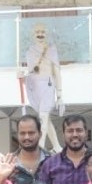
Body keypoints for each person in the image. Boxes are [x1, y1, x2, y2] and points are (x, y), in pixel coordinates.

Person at [22, 24, 63, 153]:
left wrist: (60, 94)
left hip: (48, 84)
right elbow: (31, 72)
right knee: (45, 117)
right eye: (37, 32)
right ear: (33, 35)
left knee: (43, 116)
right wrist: (23, 76)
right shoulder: (30, 51)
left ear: (47, 34)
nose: (40, 34)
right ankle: (57, 146)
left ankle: (40, 146)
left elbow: (57, 71)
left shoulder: (51, 49)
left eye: (43, 32)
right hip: (35, 86)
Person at [10, 114, 50, 184]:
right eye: (22, 133)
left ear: (40, 134)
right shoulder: (9, 164)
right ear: (17, 135)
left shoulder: (52, 161)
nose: (27, 137)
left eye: (31, 133)